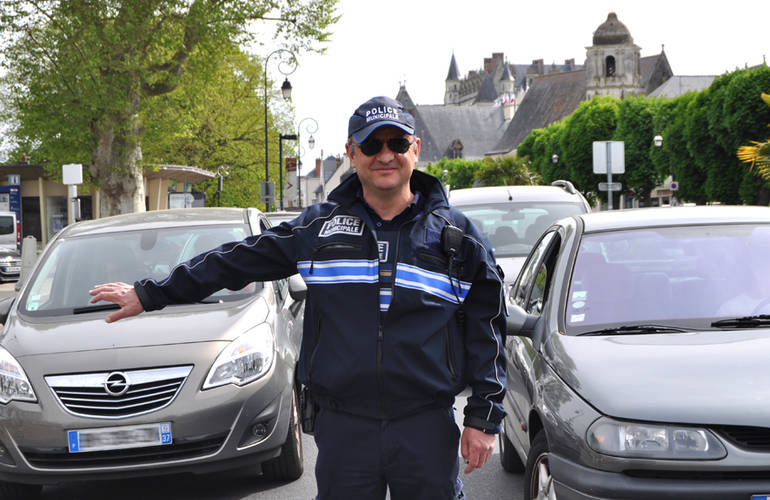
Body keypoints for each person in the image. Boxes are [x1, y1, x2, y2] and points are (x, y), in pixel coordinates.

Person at [89, 96, 506, 500]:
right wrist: (151, 294)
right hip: (345, 428)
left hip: (425, 425)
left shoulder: (458, 238)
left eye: (397, 143)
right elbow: (233, 263)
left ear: (415, 150)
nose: (385, 155)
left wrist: (484, 417)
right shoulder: (319, 229)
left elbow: (489, 329)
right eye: (371, 144)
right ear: (351, 152)